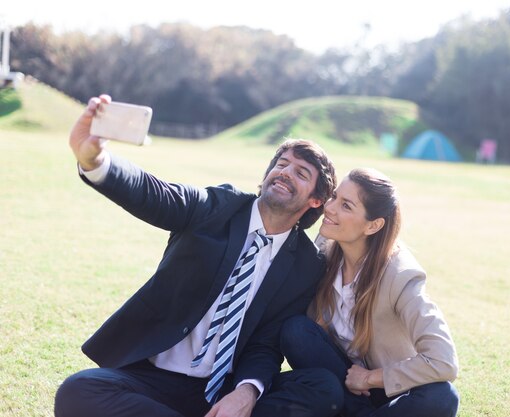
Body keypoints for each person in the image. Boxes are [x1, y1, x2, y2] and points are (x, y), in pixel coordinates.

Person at [54, 94, 342, 417]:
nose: (286, 172)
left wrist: (245, 392)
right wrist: (96, 162)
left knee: (323, 388)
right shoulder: (216, 207)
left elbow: (267, 342)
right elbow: (154, 193)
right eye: (282, 163)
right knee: (78, 391)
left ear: (316, 200)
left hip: (221, 391)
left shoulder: (305, 264)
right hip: (152, 377)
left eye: (301, 173)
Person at [280, 168, 460, 417]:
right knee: (295, 330)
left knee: (442, 397)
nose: (330, 208)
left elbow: (444, 361)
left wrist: (370, 378)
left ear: (373, 225)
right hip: (341, 384)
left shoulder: (402, 276)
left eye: (346, 206)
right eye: (334, 197)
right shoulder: (324, 248)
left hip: (388, 390)